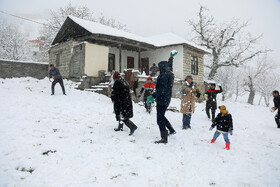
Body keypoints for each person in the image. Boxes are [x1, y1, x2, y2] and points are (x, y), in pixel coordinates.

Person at [152, 60, 176, 144]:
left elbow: (162, 89)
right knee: (162, 116)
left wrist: (154, 95)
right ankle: (171, 130)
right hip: (166, 99)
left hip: (162, 99)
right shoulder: (170, 74)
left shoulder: (163, 76)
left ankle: (164, 138)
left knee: (159, 119)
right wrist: (171, 59)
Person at [111, 71, 138, 136]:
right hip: (126, 101)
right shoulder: (124, 81)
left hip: (121, 101)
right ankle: (120, 127)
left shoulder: (117, 82)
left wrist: (112, 97)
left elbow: (115, 93)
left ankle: (132, 127)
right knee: (122, 114)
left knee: (123, 115)